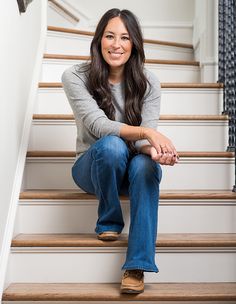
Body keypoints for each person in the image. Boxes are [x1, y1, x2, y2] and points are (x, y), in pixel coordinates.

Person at [62, 8, 179, 294]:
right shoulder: (75, 76)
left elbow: (142, 142)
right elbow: (98, 125)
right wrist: (147, 132)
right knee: (112, 146)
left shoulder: (149, 82)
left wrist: (154, 150)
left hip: (129, 166)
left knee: (147, 166)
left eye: (125, 38)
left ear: (134, 44)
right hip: (91, 167)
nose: (117, 45)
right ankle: (109, 219)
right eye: (110, 36)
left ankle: (137, 265)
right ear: (99, 40)